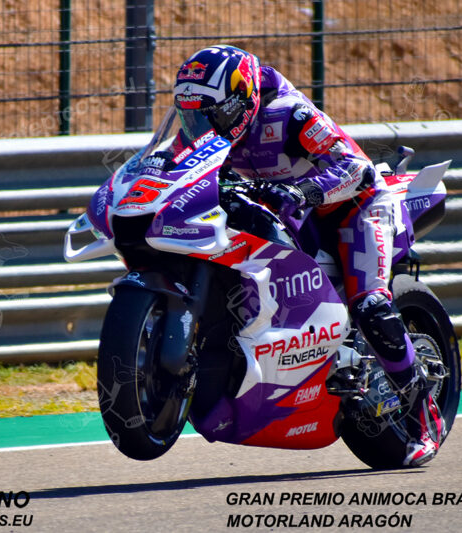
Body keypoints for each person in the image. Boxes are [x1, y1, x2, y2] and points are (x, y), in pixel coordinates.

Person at [171, 45, 443, 467]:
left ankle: (424, 412)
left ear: (243, 102)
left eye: (212, 113)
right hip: (289, 215)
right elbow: (173, 166)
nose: (202, 124)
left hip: (354, 207)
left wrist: (302, 192)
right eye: (192, 114)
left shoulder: (289, 114)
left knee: (370, 304)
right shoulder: (207, 131)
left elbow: (358, 169)